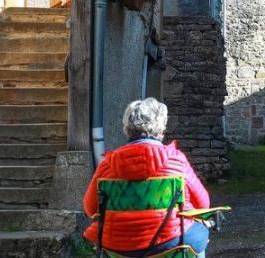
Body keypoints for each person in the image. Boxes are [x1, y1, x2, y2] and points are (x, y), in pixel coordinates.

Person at [83, 98, 211, 257]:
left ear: (126, 128)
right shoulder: (176, 160)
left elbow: (90, 208)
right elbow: (203, 204)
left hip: (117, 247)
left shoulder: (107, 165)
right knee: (201, 233)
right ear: (161, 128)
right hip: (170, 242)